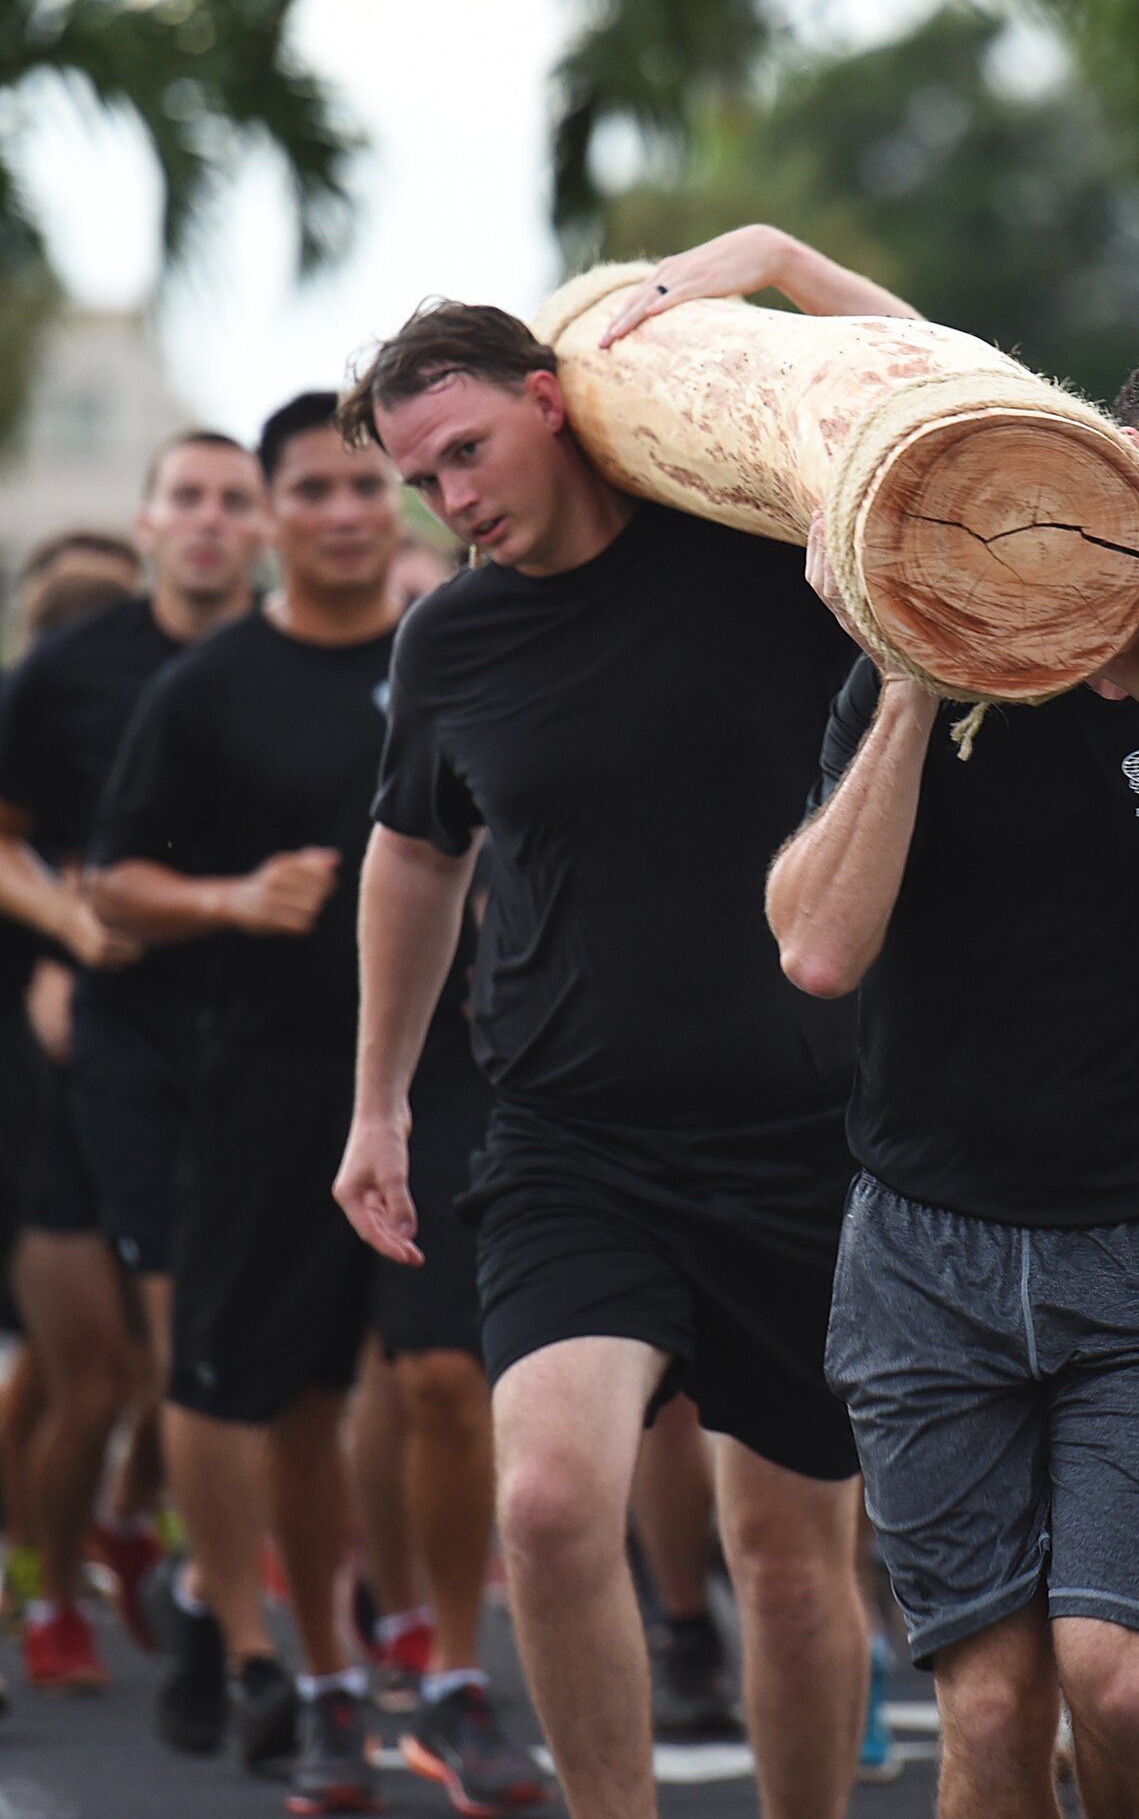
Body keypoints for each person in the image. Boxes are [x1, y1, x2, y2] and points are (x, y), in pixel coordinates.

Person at [615, 228, 1139, 1819]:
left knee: (1121, 1680)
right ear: (1123, 469)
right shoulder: (929, 683)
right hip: (926, 1259)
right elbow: (818, 955)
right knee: (987, 1715)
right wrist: (916, 666)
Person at [331, 284, 891, 1819]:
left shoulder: (763, 562)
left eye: (463, 452)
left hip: (807, 1137)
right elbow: (412, 856)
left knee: (785, 1567)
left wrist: (759, 253)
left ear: (548, 398)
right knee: (552, 1501)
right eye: (420, 479)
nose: (452, 499)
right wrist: (376, 1105)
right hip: (576, 1140)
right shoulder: (449, 638)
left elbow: (934, 419)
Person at [88, 392, 534, 1819]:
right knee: (290, 1400)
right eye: (312, 491)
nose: (344, 514)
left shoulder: (458, 651)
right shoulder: (209, 688)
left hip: (456, 1066)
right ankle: (331, 1682)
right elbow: (110, 887)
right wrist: (227, 896)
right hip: (272, 1079)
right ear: (273, 512)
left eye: (365, 487)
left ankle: (458, 1676)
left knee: (450, 1381)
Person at [0, 434, 267, 1690]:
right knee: (91, 1365)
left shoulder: (294, 665)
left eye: (234, 502)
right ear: (149, 522)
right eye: (188, 500)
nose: (210, 522)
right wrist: (64, 929)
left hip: (240, 1050)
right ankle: (47, 1585)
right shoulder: (65, 672)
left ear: (260, 529)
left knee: (194, 1349)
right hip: (69, 1050)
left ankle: (147, 1526)